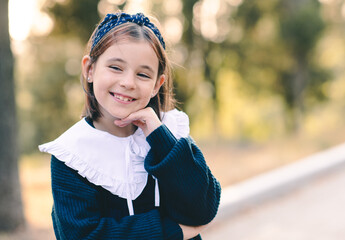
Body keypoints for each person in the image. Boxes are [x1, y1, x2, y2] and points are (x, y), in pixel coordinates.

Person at [39, 11, 221, 240]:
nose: (128, 83)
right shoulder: (73, 154)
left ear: (157, 84)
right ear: (89, 70)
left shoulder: (170, 132)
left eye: (143, 74)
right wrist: (171, 232)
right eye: (116, 67)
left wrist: (160, 138)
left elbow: (202, 209)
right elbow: (83, 235)